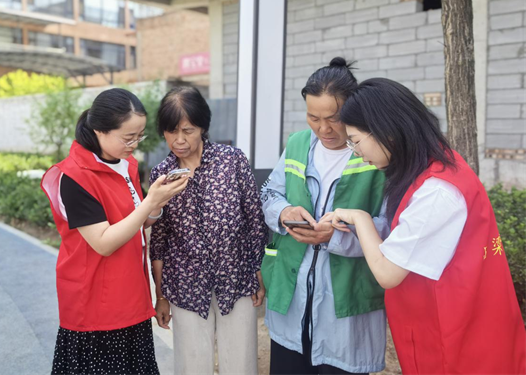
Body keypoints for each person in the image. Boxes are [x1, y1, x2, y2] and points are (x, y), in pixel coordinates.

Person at [331, 78, 526, 374]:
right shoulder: (439, 165)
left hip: (460, 345)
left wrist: (361, 218)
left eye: (355, 141)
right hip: (467, 327)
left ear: (386, 130)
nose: (355, 151)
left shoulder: (436, 192)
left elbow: (387, 273)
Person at [40, 88, 188, 374]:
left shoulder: (126, 165)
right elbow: (103, 242)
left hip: (129, 292)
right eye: (128, 137)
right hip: (94, 301)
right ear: (99, 130)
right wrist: (150, 203)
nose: (134, 144)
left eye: (140, 135)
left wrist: (157, 205)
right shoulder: (74, 176)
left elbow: (133, 221)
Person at [260, 57, 389, 375]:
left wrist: (335, 237)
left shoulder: (377, 152)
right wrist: (284, 212)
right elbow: (269, 193)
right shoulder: (297, 144)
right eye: (313, 117)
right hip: (292, 297)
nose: (323, 129)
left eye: (334, 118)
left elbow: (389, 229)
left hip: (346, 305)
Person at [149, 86, 268, 375]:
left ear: (203, 127)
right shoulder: (162, 176)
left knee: (241, 363)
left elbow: (254, 220)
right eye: (171, 131)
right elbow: (159, 241)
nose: (179, 140)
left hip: (236, 279)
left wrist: (258, 273)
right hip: (185, 285)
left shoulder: (232, 161)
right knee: (191, 364)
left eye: (187, 131)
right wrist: (161, 296)